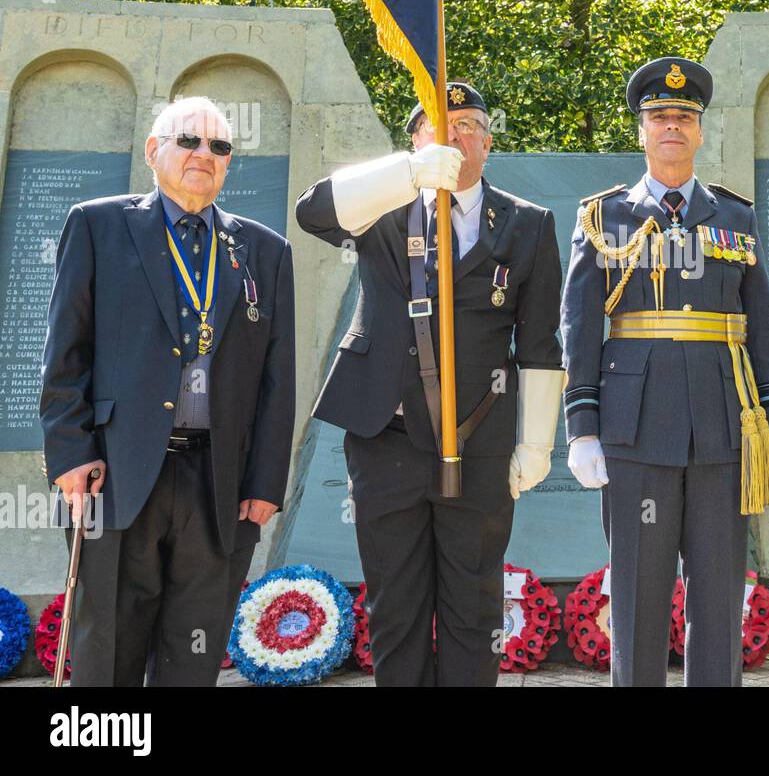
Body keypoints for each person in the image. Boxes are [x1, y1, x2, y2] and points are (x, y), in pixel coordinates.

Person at [296, 82, 563, 686]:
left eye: (469, 124)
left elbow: (542, 342)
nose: (456, 133)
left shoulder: (526, 224)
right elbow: (312, 211)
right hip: (386, 437)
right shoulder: (382, 210)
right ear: (415, 141)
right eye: (438, 124)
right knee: (395, 606)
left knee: (474, 607)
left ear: (488, 143)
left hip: (478, 440)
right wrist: (408, 174)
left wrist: (538, 443)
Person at [40, 96, 295, 685]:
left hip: (218, 484)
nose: (204, 154)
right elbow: (65, 353)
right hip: (116, 474)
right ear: (154, 151)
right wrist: (72, 455)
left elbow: (277, 382)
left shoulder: (264, 252)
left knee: (195, 651)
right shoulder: (98, 225)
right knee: (108, 645)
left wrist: (264, 482)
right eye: (189, 140)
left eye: (220, 146)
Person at [560, 56, 769, 687]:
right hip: (635, 431)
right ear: (641, 130)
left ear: (699, 131)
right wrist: (582, 425)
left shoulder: (735, 217)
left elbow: (759, 322)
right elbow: (579, 327)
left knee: (719, 596)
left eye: (684, 117)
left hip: (723, 427)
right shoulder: (604, 218)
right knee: (637, 593)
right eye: (659, 116)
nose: (672, 126)